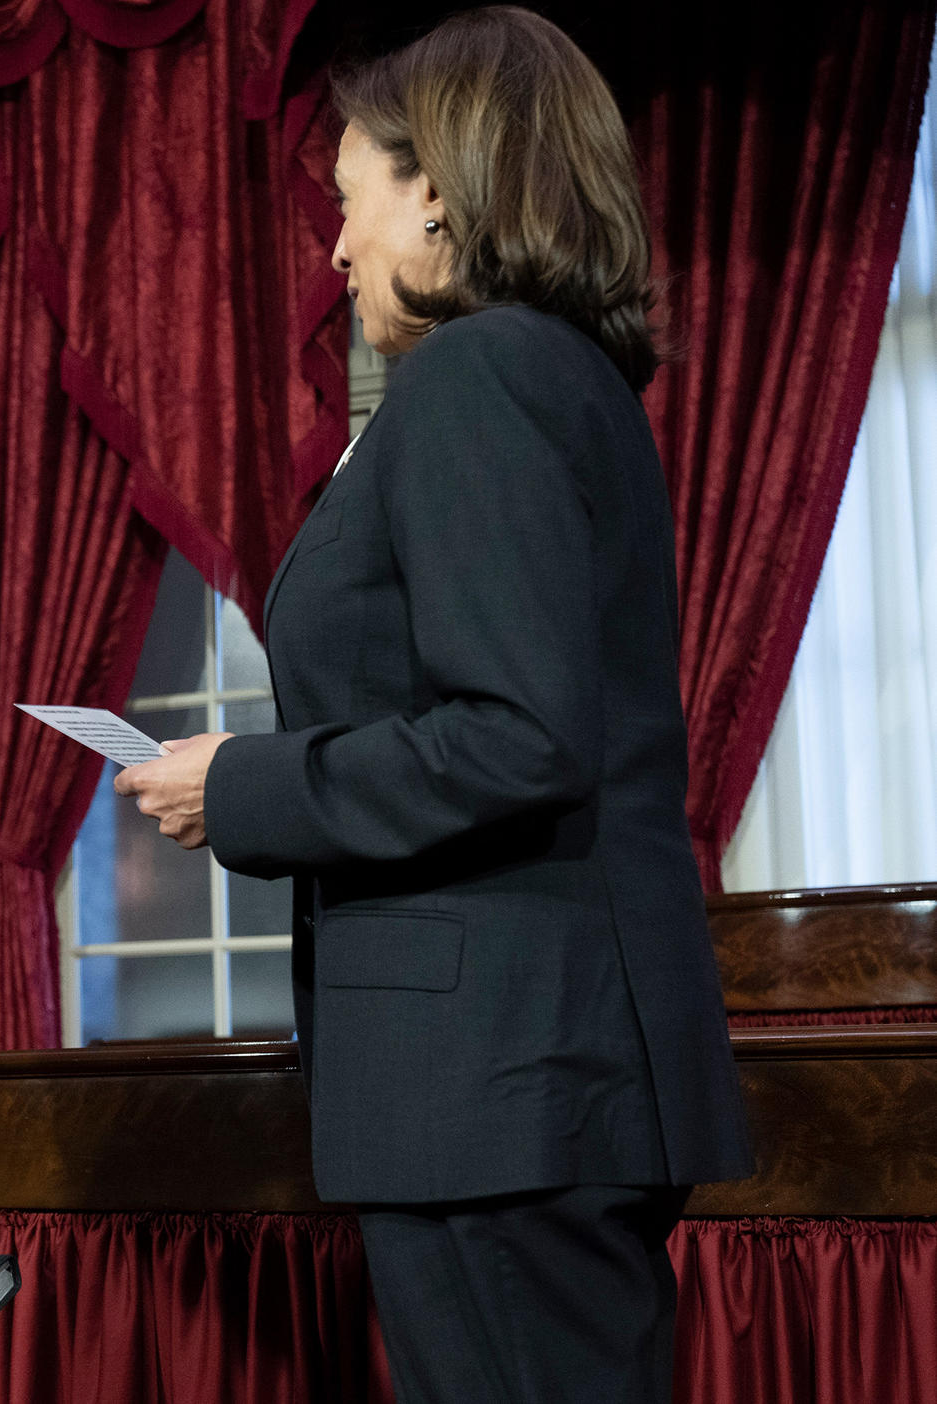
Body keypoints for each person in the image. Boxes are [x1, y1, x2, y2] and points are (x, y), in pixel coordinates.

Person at [113, 10, 752, 1404]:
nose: (333, 251)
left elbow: (520, 735)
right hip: (530, 1074)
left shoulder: (476, 374)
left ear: (441, 192)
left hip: (501, 1083)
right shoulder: (551, 375)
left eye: (347, 204)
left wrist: (241, 788)